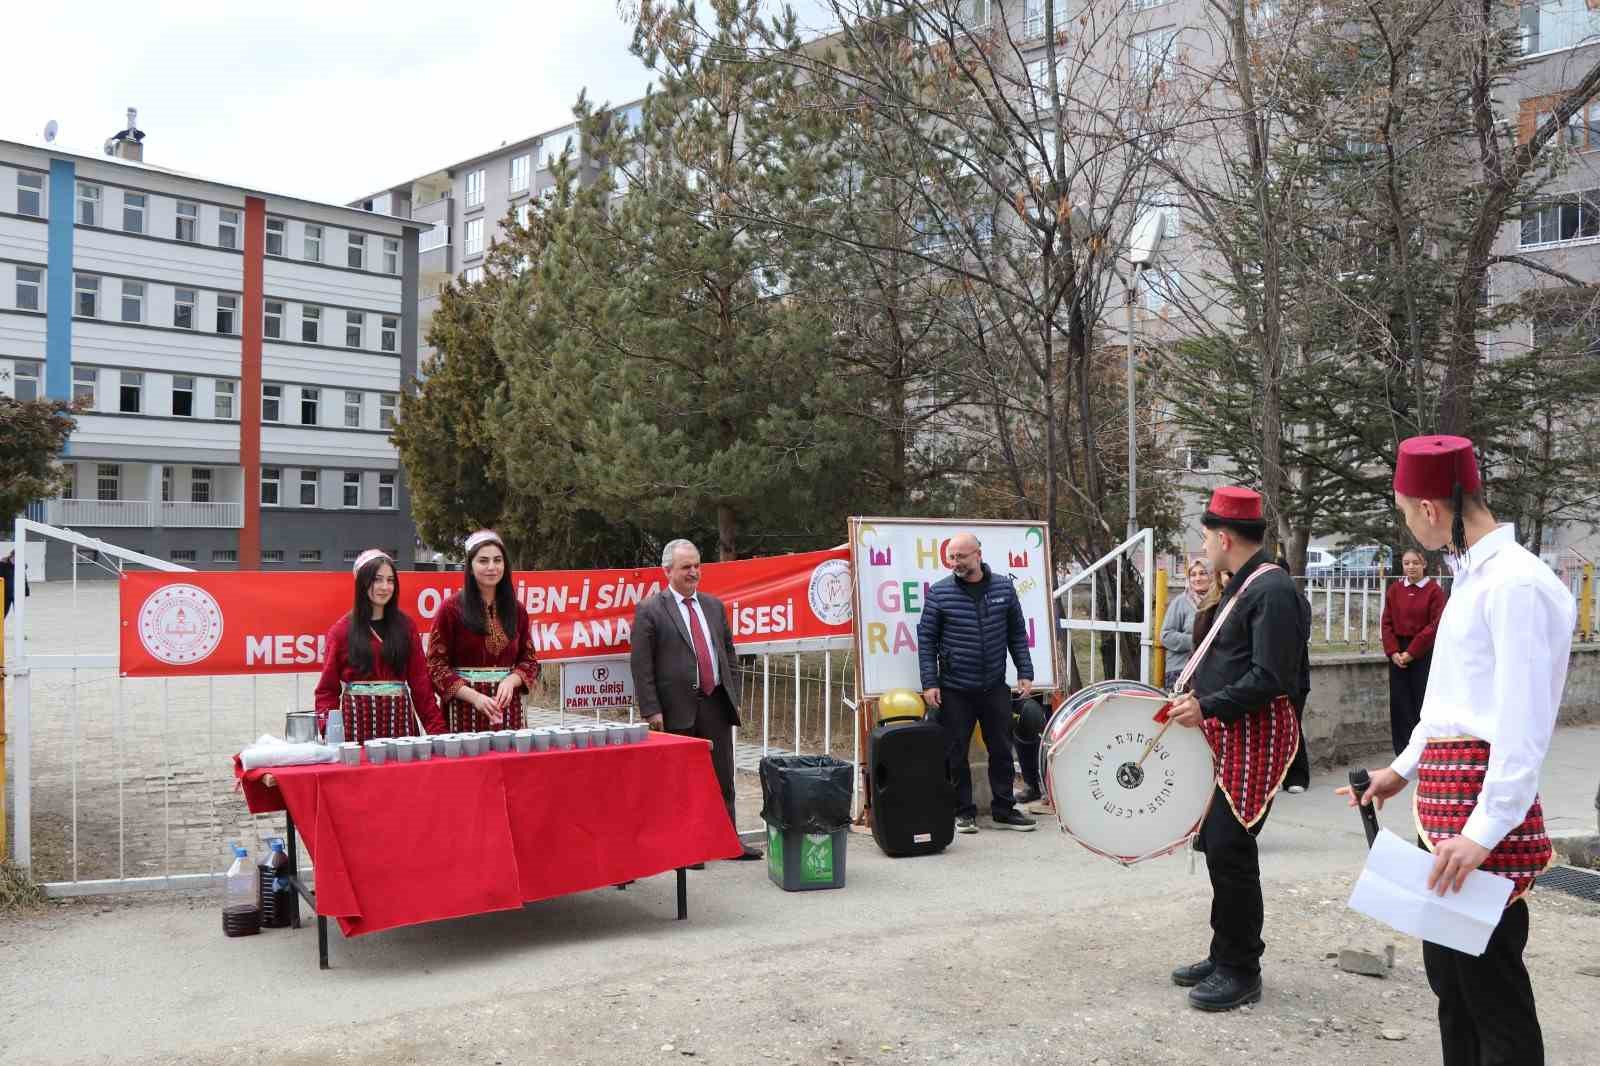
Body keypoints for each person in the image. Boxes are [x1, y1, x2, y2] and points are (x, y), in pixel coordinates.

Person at [1342, 435, 1572, 1066]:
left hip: (1479, 816)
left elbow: (1522, 724)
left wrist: (1485, 831)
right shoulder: (1472, 577)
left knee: (1491, 985)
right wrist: (1401, 769)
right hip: (1441, 805)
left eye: (1405, 513)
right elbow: (1446, 703)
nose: (1410, 528)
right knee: (1449, 980)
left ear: (1429, 508)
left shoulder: (1516, 584)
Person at [1165, 487, 1310, 1012]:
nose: (1203, 547)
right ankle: (1224, 951)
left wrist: (1209, 705)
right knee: (1218, 846)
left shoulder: (1271, 591)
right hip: (1228, 732)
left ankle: (1242, 968)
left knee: (1231, 848)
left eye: (1206, 537)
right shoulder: (1245, 584)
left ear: (1224, 537)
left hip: (1255, 737)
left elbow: (1270, 677)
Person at [630, 538, 762, 861]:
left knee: (722, 777)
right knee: (680, 782)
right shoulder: (650, 610)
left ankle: (728, 842)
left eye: (697, 566)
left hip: (715, 701)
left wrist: (733, 691)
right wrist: (651, 709)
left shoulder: (713, 606)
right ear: (667, 571)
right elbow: (641, 664)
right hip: (675, 709)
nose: (694, 573)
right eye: (686, 567)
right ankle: (687, 851)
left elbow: (727, 652)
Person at [917, 532, 1037, 834]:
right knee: (955, 752)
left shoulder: (1003, 589)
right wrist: (930, 682)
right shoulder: (940, 593)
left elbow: (1017, 634)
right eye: (951, 557)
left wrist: (1025, 670)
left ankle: (1004, 810)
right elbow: (926, 640)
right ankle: (963, 812)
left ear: (977, 554)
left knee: (1001, 748)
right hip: (955, 688)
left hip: (994, 685)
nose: (955, 562)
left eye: (961, 556)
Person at [313, 549, 445, 743]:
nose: (385, 587)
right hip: (355, 730)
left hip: (401, 728)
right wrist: (330, 733)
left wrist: (439, 733)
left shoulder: (406, 627)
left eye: (390, 580)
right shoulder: (341, 631)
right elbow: (327, 690)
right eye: (377, 579)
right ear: (362, 583)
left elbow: (421, 686)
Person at [427, 529, 540, 732]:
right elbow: (436, 665)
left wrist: (511, 680)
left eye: (497, 560)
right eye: (483, 561)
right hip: (463, 710)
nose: (491, 567)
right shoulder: (451, 609)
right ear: (470, 567)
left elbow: (529, 660)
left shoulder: (517, 610)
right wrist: (475, 697)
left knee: (508, 761)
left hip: (507, 708)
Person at [1379, 546, 1446, 756]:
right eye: (1407, 563)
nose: (1411, 567)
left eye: (1415, 563)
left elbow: (1436, 625)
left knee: (1421, 701)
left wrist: (1413, 652)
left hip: (1422, 652)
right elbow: (1386, 622)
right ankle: (1402, 751)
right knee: (1400, 703)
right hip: (1398, 651)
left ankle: (1424, 750)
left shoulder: (1434, 591)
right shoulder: (1395, 590)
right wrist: (1393, 652)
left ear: (1424, 564)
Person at [1161, 559, 1212, 689]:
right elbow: (1166, 636)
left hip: (1209, 671)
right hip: (1181, 670)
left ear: (1212, 575)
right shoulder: (1180, 602)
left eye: (1203, 573)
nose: (1197, 578)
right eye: (1193, 575)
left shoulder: (1219, 601)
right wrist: (1197, 641)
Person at [1191, 567, 1233, 647]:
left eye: (1202, 573)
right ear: (1219, 577)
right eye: (1227, 573)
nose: (1197, 579)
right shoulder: (1209, 607)